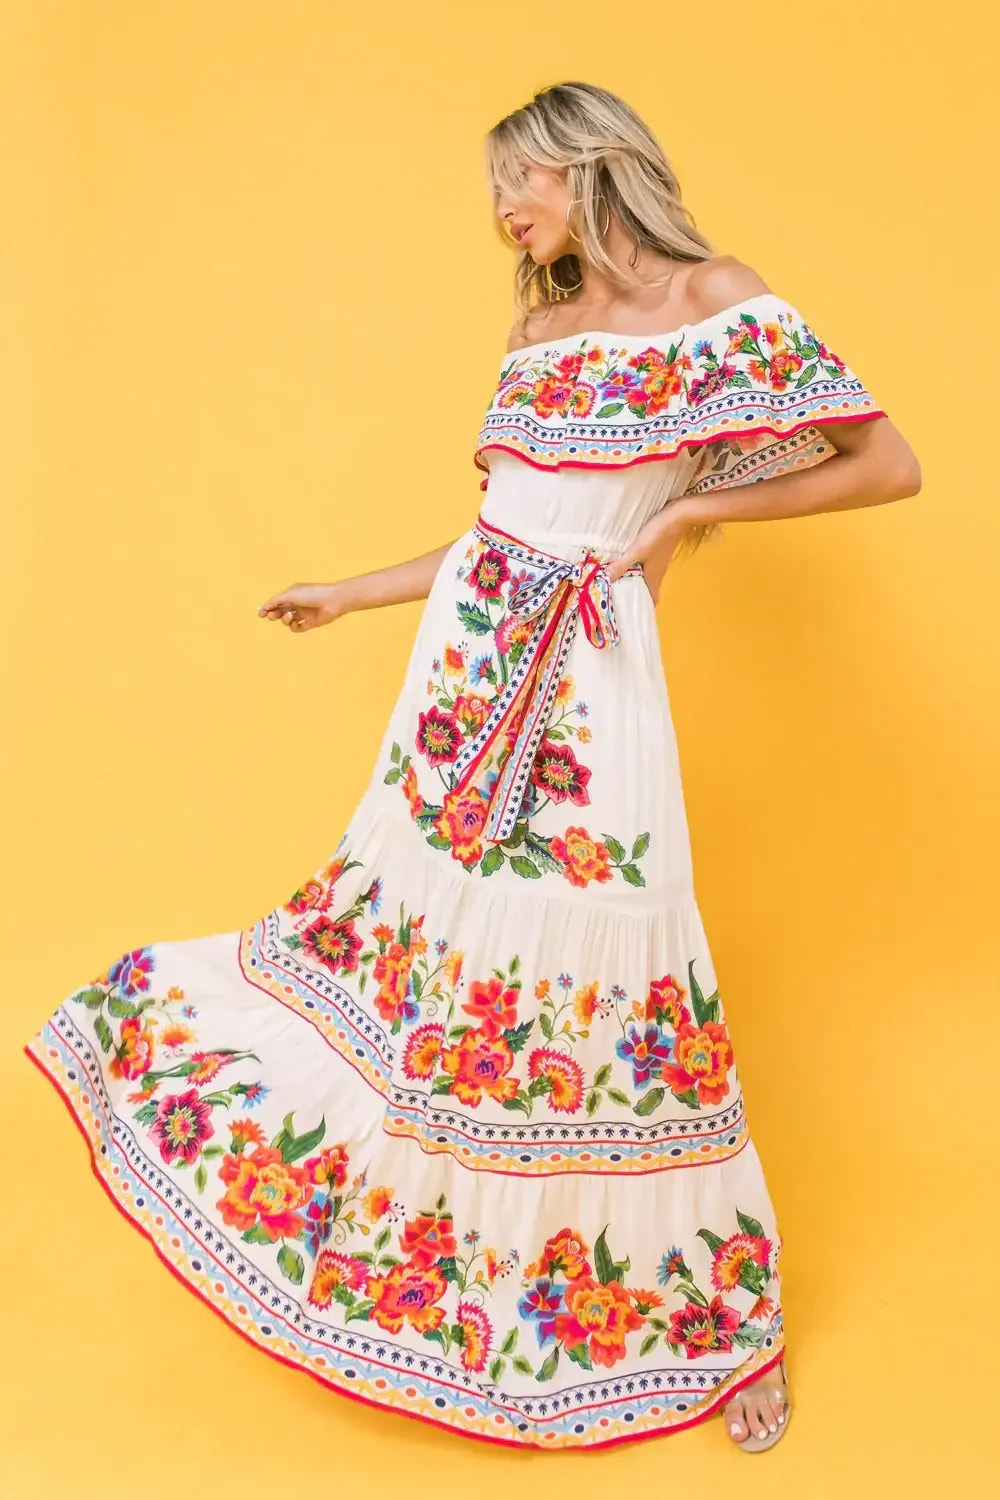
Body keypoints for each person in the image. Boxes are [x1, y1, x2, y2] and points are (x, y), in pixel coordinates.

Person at [25, 80, 920, 1454]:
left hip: (588, 690)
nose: (506, 209)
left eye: (522, 179)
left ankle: (723, 1328)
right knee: (432, 971)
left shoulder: (711, 300)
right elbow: (495, 534)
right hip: (459, 690)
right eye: (497, 188)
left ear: (590, 166)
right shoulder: (542, 330)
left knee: (621, 979)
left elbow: (883, 462)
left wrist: (688, 505)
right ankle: (429, 1272)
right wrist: (352, 591)